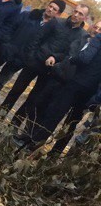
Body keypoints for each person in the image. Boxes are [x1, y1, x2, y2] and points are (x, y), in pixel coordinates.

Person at [15, 20, 101, 149]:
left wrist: (73, 59)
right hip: (89, 88)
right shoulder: (84, 37)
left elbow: (84, 58)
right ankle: (48, 149)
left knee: (55, 115)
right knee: (69, 121)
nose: (97, 31)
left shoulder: (98, 39)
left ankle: (33, 144)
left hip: (76, 83)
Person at [7, 3, 90, 125]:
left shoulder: (82, 36)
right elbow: (37, 39)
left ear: (85, 18)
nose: (76, 15)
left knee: (32, 99)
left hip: (51, 71)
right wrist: (30, 58)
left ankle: (14, 123)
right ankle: (0, 114)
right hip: (34, 62)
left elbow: (70, 54)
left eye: (80, 14)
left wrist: (55, 58)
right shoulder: (56, 22)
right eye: (75, 11)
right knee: (16, 90)